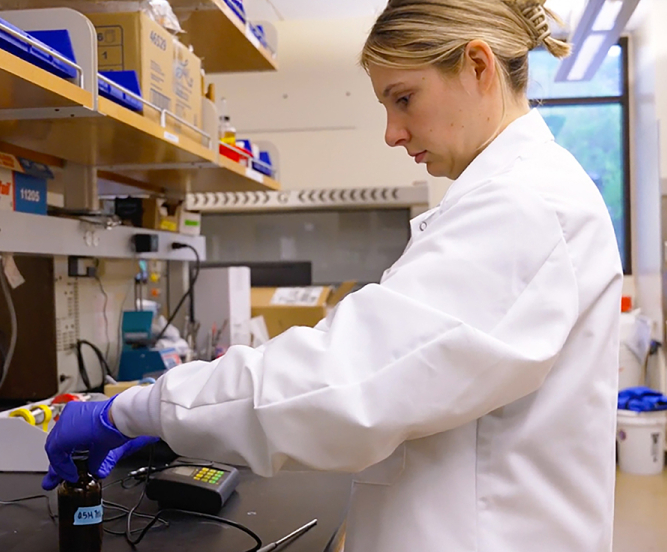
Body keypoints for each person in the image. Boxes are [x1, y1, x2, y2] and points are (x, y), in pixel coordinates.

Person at [43, 0, 623, 550]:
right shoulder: (519, 197)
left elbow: (345, 378)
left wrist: (134, 410)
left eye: (404, 98)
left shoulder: (525, 207)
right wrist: (183, 421)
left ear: (477, 66)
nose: (393, 132)